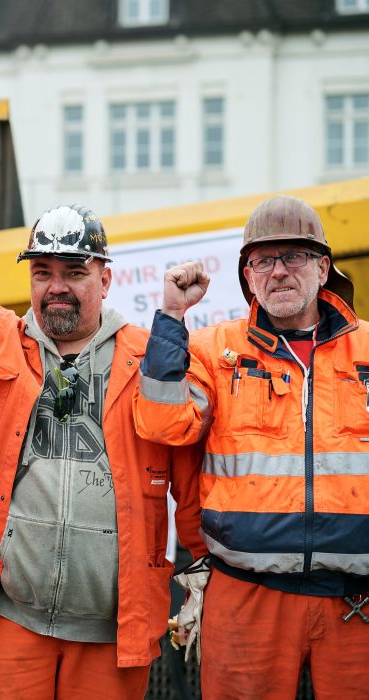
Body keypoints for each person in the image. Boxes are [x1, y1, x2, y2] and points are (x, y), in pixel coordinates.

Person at [0, 158, 207, 699]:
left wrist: (202, 565)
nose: (56, 287)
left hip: (111, 628)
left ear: (106, 279)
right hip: (8, 617)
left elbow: (188, 468)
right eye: (43, 272)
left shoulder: (146, 356)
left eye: (74, 272)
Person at [133, 194, 369, 700]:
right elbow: (161, 423)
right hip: (245, 596)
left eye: (294, 257)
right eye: (263, 260)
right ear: (248, 276)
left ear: (323, 268)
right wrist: (172, 314)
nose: (279, 272)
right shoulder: (214, 352)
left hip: (359, 602)